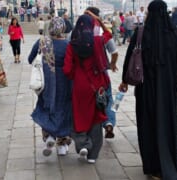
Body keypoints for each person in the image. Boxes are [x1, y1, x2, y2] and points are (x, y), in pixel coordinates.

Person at [119, 0, 177, 179]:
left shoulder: (141, 33)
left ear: (150, 14)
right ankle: (168, 164)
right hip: (168, 90)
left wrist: (124, 81)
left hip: (146, 90)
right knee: (167, 125)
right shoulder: (175, 34)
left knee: (147, 125)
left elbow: (130, 57)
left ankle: (152, 166)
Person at [63, 13, 111, 164]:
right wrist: (100, 22)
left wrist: (75, 76)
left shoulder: (72, 44)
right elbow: (109, 33)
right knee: (96, 117)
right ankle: (93, 155)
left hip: (80, 84)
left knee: (80, 115)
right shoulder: (98, 40)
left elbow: (67, 69)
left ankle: (83, 144)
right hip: (97, 85)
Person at [28, 17, 72, 156]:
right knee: (64, 110)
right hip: (64, 82)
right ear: (62, 28)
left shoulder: (42, 42)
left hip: (46, 83)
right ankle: (62, 145)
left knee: (46, 107)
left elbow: (31, 59)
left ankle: (49, 136)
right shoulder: (67, 44)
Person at [84, 7, 119, 139]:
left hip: (85, 75)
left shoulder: (76, 33)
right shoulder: (101, 34)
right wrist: (112, 64)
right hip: (102, 74)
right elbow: (115, 53)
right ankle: (109, 122)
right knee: (109, 99)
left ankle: (87, 128)